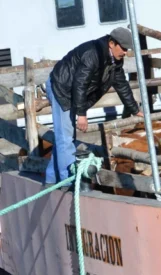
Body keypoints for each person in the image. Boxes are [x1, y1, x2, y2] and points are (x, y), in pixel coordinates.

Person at [45, 27, 143, 184]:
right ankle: (67, 183)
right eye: (123, 48)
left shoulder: (114, 60)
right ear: (112, 43)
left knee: (65, 139)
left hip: (73, 91)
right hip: (61, 88)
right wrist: (81, 114)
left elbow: (121, 84)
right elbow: (80, 83)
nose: (125, 52)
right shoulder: (93, 54)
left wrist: (134, 109)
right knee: (65, 139)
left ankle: (50, 180)